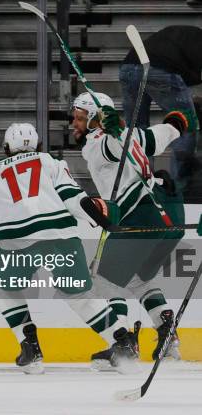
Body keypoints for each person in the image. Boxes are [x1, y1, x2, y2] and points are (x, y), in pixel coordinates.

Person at [0, 123, 137, 374]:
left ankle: (30, 348)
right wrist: (101, 219)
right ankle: (122, 342)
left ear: (5, 149)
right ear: (39, 146)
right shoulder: (51, 162)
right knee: (77, 294)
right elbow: (75, 199)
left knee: (6, 289)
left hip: (15, 241)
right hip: (60, 236)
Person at [71, 91, 196, 365]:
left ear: (95, 119)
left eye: (80, 118)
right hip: (170, 213)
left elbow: (114, 147)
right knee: (139, 278)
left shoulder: (98, 143)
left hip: (142, 215)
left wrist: (116, 132)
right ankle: (167, 332)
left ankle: (124, 345)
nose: (73, 123)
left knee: (104, 280)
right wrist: (177, 123)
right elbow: (156, 138)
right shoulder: (132, 135)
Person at [119, 25, 201, 192]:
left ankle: (140, 186)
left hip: (128, 67)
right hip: (160, 69)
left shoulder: (183, 34)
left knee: (136, 130)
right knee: (186, 123)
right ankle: (179, 188)